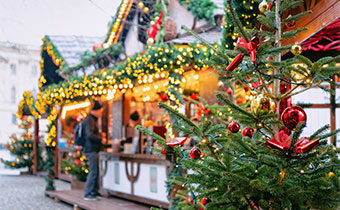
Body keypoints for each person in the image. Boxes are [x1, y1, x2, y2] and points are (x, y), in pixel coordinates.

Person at [82, 100, 105, 200]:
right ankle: (88, 193)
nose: (101, 113)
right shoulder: (90, 120)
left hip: (92, 148)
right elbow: (89, 135)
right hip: (91, 149)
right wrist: (101, 138)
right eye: (100, 111)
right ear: (96, 111)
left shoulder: (91, 120)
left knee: (95, 170)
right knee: (93, 171)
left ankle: (94, 192)